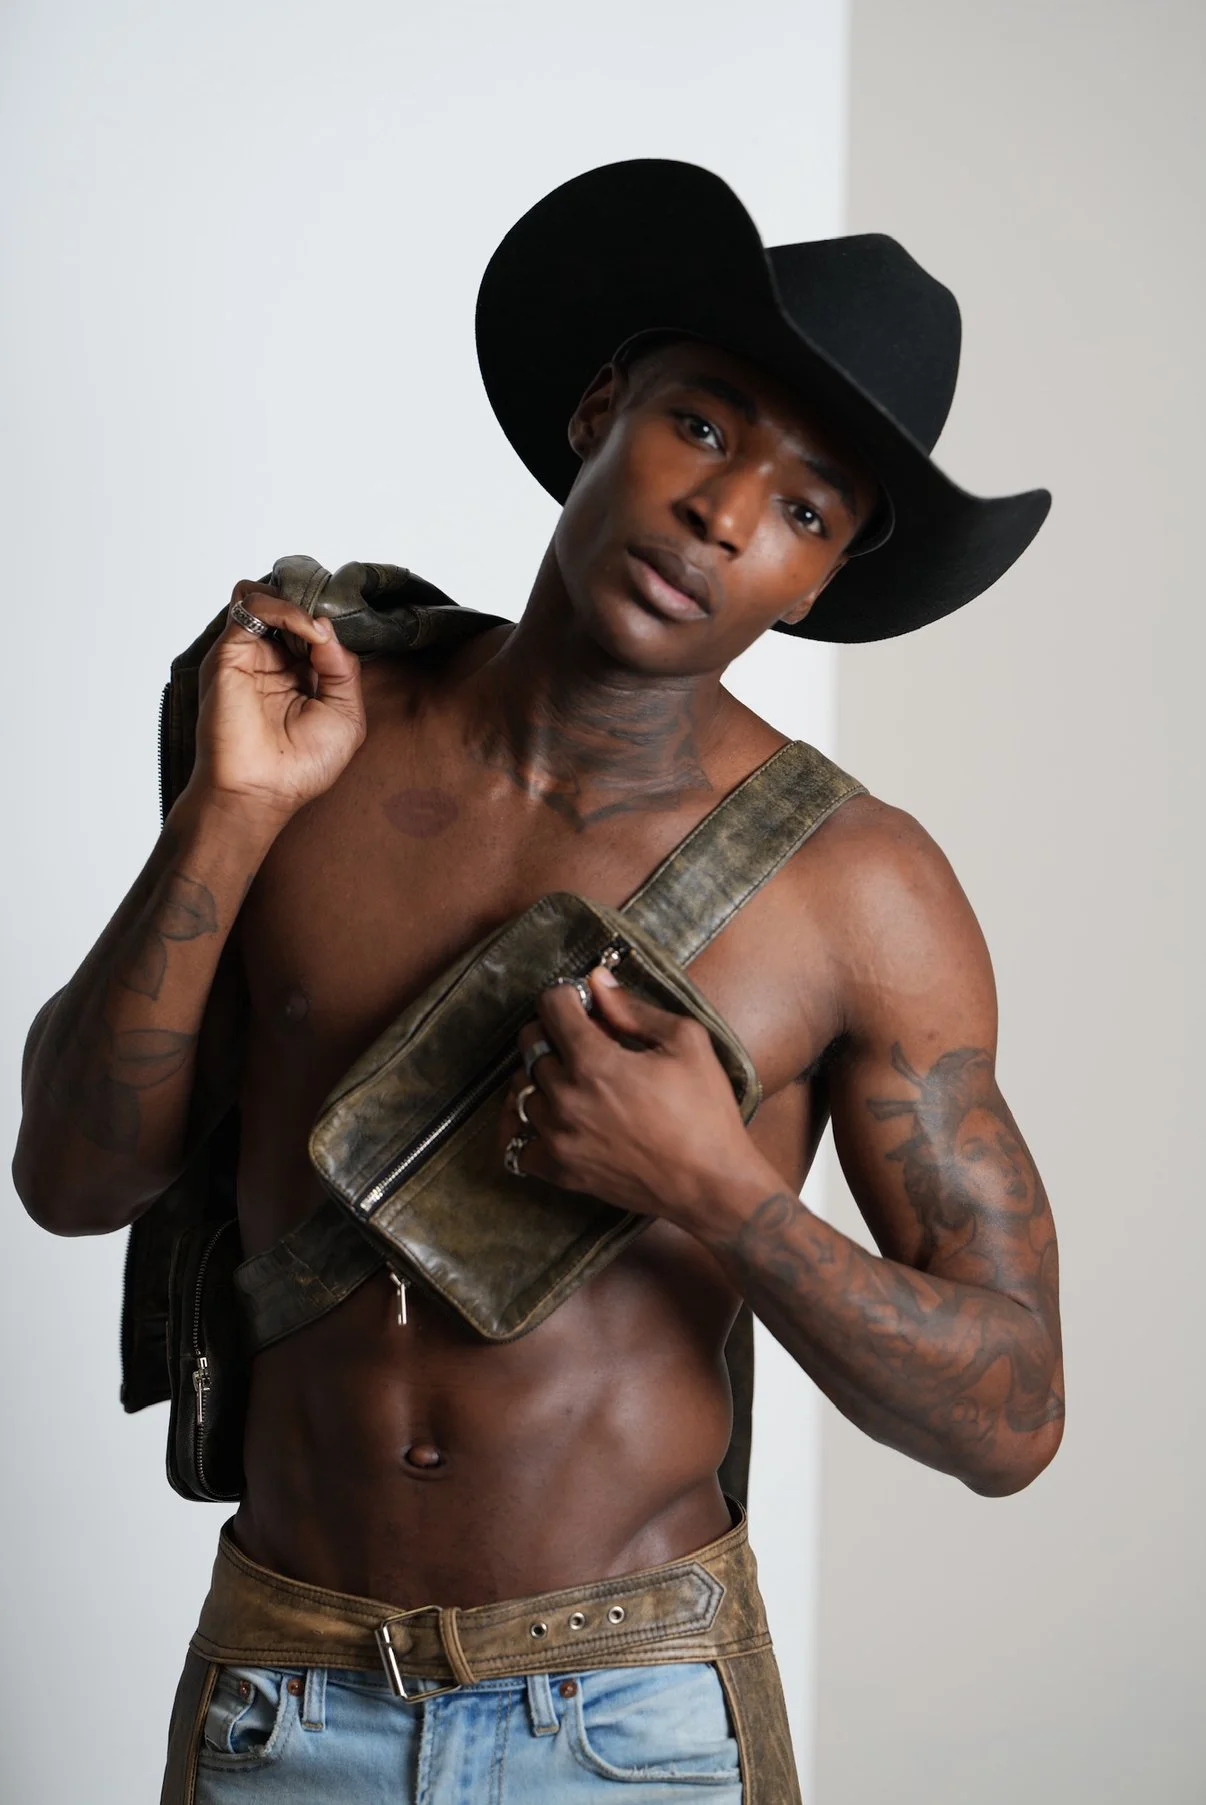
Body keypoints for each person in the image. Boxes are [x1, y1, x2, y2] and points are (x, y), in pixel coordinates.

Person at [11, 159, 1064, 1803]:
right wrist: (230, 815)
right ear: (598, 409)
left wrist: (715, 1189)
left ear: (823, 581)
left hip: (631, 1715)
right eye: (704, 428)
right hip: (285, 1689)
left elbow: (1009, 1416)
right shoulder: (312, 729)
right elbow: (70, 1181)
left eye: (803, 511)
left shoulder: (862, 892)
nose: (725, 516)